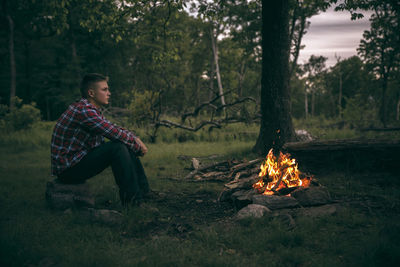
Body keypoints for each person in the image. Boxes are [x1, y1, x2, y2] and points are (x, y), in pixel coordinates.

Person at [51, 73, 150, 205]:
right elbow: (113, 133)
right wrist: (138, 146)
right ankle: (134, 203)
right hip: (68, 170)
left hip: (77, 162)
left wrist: (135, 138)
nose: (109, 93)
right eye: (104, 89)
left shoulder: (90, 109)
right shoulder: (84, 111)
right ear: (91, 93)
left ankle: (144, 194)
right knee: (118, 147)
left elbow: (112, 127)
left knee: (123, 144)